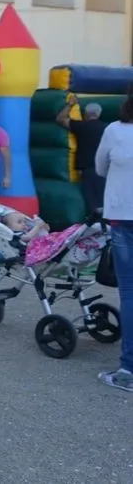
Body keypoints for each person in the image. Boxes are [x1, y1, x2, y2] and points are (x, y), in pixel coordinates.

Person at [94, 83, 133, 392]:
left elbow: (100, 167)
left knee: (129, 294)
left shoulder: (116, 131)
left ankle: (128, 370)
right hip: (122, 218)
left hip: (122, 217)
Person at [56, 94, 108, 214]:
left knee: (91, 199)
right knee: (103, 198)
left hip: (86, 168)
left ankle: (96, 223)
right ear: (99, 114)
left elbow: (60, 119)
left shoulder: (81, 126)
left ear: (85, 114)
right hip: (104, 168)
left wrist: (70, 105)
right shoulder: (106, 128)